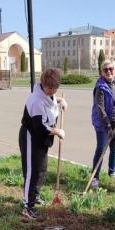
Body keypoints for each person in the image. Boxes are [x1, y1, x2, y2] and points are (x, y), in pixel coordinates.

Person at [19, 68, 67, 220]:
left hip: (42, 139)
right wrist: (58, 131)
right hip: (31, 137)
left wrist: (60, 100)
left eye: (55, 88)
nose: (52, 91)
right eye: (49, 88)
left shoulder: (47, 95)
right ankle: (28, 207)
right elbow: (41, 127)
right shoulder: (36, 101)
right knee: (32, 172)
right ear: (43, 84)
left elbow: (50, 100)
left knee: (41, 169)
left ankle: (35, 195)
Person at [91, 60, 115, 189]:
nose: (109, 71)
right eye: (105, 69)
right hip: (103, 124)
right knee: (101, 150)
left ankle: (112, 172)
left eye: (111, 69)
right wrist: (108, 127)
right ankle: (95, 178)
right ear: (102, 72)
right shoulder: (100, 87)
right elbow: (100, 109)